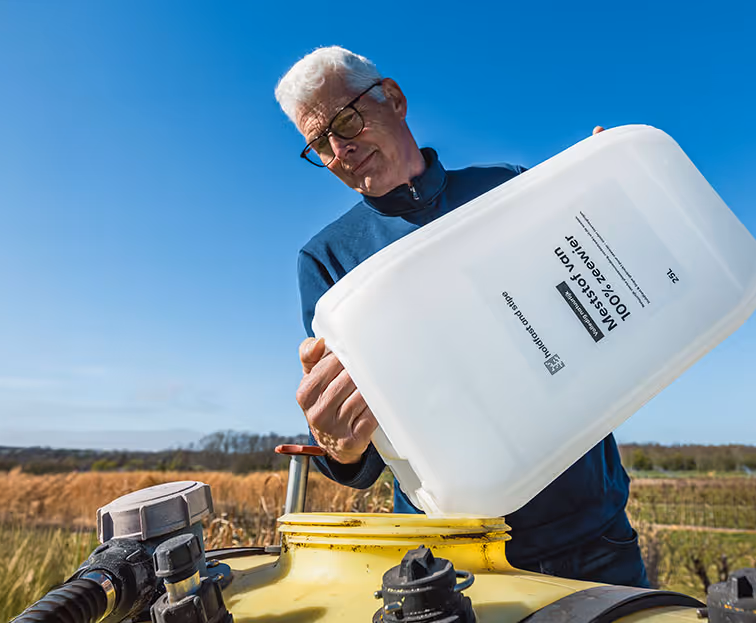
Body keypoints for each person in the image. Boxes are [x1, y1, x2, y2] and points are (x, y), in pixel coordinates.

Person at [275, 46, 648, 588]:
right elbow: (365, 450)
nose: (339, 150)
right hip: (452, 559)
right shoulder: (328, 259)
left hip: (594, 534)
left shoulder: (509, 187)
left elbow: (603, 313)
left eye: (346, 121)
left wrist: (610, 209)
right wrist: (340, 448)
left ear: (394, 100)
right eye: (319, 143)